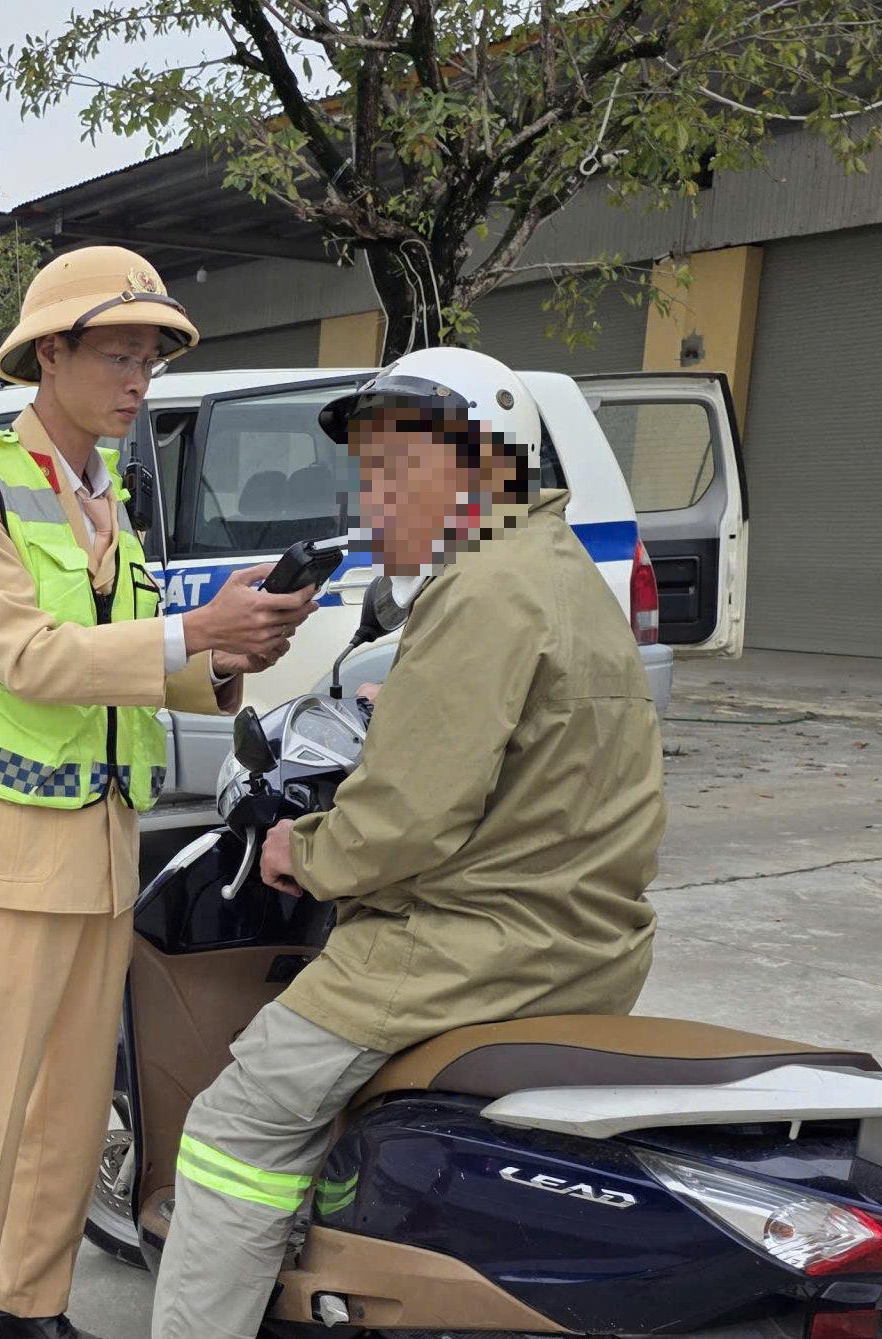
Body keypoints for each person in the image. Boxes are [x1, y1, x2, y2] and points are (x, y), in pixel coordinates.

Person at [149, 347, 669, 1339]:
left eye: (396, 471)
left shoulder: (479, 594)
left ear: (485, 466)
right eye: (365, 475)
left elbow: (400, 824)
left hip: (466, 947)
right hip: (585, 936)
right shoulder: (555, 572)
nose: (373, 500)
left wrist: (307, 848)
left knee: (232, 1123)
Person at [0, 245, 321, 1339]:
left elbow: (122, 661)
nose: (139, 381)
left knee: (74, 1116)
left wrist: (227, 654)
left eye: (150, 361)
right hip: (5, 852)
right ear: (51, 353)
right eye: (120, 355)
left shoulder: (105, 493)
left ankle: (26, 1306)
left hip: (99, 851)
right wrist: (189, 630)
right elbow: (29, 656)